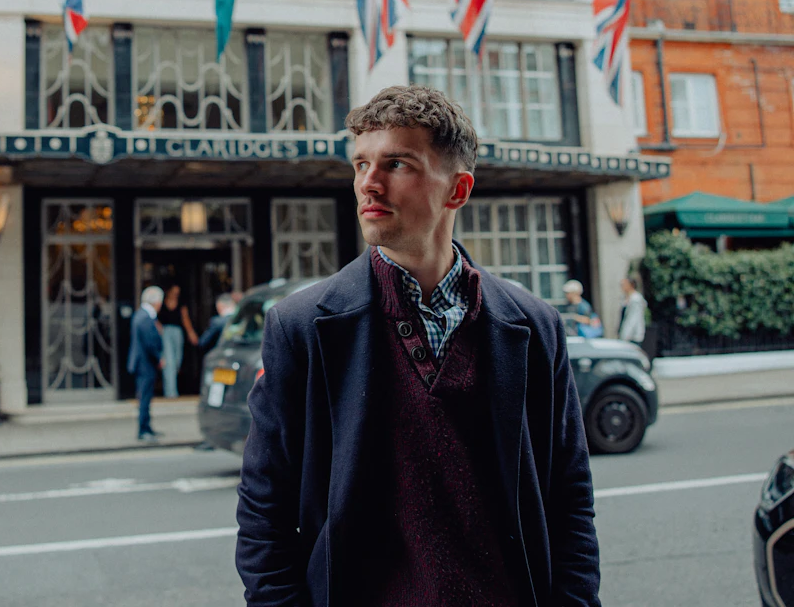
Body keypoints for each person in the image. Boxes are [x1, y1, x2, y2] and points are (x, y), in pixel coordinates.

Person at [236, 85, 600, 606]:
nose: (369, 184)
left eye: (397, 164)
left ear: (458, 189)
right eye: (360, 164)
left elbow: (569, 500)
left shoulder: (535, 326)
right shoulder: (301, 328)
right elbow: (263, 511)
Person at [126, 286, 165, 443]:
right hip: (145, 364)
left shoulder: (142, 315)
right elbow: (150, 343)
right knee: (144, 398)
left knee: (146, 397)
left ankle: (147, 427)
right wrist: (159, 358)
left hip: (144, 364)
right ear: (156, 302)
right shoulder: (145, 317)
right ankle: (143, 430)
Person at [157, 283, 197, 398]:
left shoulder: (181, 304)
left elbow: (185, 319)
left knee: (177, 361)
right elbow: (155, 318)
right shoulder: (162, 303)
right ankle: (171, 393)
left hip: (177, 333)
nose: (175, 295)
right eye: (174, 292)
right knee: (169, 361)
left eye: (177, 293)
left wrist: (191, 333)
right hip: (165, 333)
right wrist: (159, 329)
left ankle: (171, 389)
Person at [619, 276, 647, 346]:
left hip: (632, 335)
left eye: (624, 284)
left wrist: (625, 335)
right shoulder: (625, 298)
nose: (622, 287)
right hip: (627, 334)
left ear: (631, 285)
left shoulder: (636, 299)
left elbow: (633, 319)